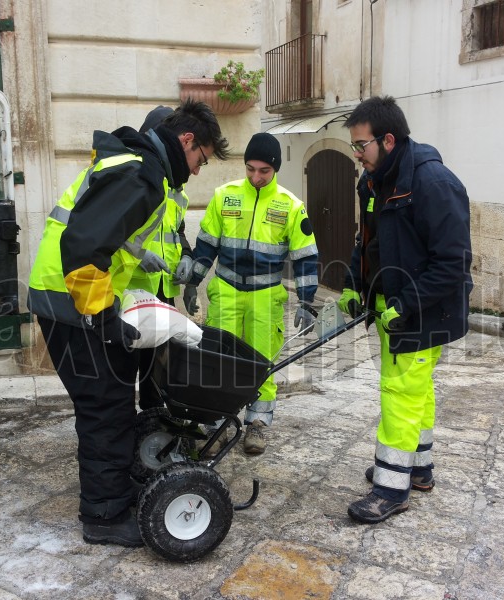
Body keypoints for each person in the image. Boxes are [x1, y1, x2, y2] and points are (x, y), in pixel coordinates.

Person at [27, 100, 228, 547]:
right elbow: (83, 244)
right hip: (70, 302)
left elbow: (104, 231)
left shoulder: (137, 164)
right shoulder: (141, 173)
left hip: (68, 298)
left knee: (113, 404)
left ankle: (115, 493)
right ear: (187, 140)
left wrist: (137, 260)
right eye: (201, 158)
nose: (197, 170)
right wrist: (102, 315)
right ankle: (104, 517)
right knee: (105, 409)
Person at [338, 96, 472, 524]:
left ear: (389, 140)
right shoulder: (373, 183)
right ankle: (418, 468)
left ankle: (390, 488)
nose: (357, 156)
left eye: (362, 146)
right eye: (354, 147)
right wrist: (353, 284)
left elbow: (452, 263)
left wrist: (405, 304)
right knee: (416, 389)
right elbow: (368, 241)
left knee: (399, 392)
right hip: (392, 305)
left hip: (424, 311)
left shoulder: (433, 184)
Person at [184, 132, 319, 455]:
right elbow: (206, 246)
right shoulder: (224, 196)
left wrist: (307, 301)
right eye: (250, 169)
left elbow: (306, 258)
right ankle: (216, 422)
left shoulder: (290, 206)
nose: (256, 177)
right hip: (226, 291)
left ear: (275, 170)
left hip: (265, 296)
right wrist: (192, 283)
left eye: (264, 171)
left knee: (261, 362)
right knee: (218, 361)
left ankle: (257, 424)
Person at [128, 106, 195, 410]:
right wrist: (137, 254)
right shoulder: (134, 179)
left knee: (159, 367)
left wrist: (188, 262)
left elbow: (178, 233)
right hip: (130, 290)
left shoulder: (179, 192)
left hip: (164, 292)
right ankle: (121, 425)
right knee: (124, 364)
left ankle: (153, 420)